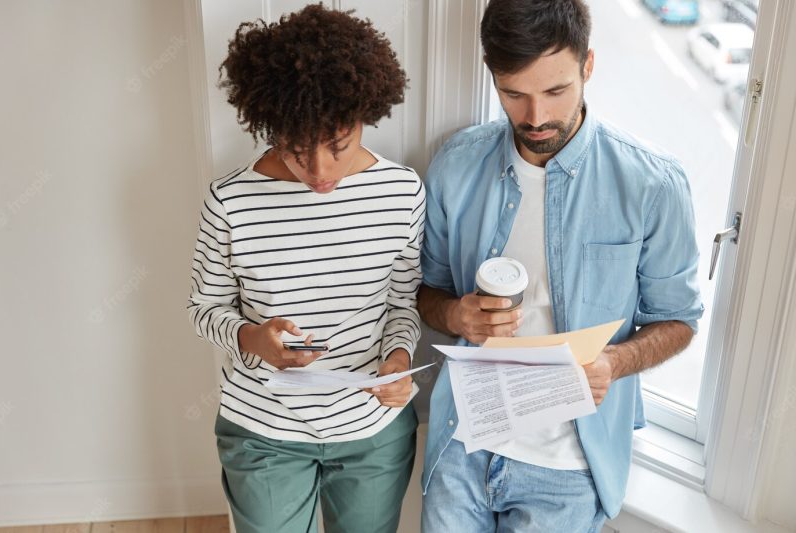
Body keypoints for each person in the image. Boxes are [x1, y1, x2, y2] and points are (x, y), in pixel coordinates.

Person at [418, 0, 703, 531]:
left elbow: (680, 322)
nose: (536, 117)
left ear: (588, 66)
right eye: (514, 94)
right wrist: (458, 316)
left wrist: (613, 365)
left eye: (555, 91)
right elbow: (427, 291)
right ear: (493, 77)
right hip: (462, 443)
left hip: (568, 467)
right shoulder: (456, 164)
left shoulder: (652, 184)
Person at [186, 5, 425, 532]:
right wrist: (252, 337)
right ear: (269, 125)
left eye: (337, 146)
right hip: (262, 429)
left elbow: (401, 304)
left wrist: (399, 358)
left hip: (372, 430)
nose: (319, 172)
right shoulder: (230, 201)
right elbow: (202, 310)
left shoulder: (402, 191)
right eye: (296, 149)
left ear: (366, 115)